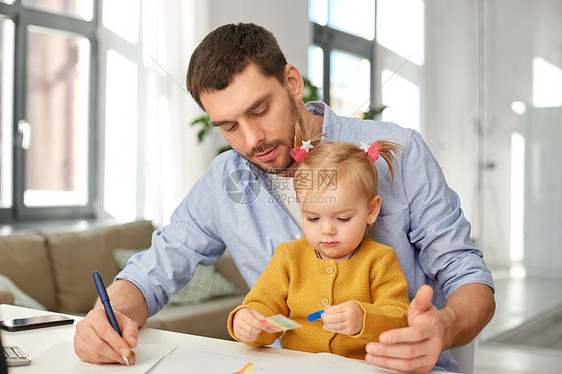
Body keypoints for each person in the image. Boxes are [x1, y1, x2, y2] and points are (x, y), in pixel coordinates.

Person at [74, 22, 495, 373]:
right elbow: (149, 275)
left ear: (292, 82)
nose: (252, 139)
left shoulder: (398, 151)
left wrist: (447, 324)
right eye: (228, 126)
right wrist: (107, 317)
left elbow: (466, 274)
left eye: (259, 110)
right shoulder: (224, 182)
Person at [229, 139, 409, 360]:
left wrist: (364, 318)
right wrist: (248, 321)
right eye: (313, 218)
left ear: (371, 210)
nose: (327, 230)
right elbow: (263, 303)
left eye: (343, 218)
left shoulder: (380, 259)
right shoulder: (288, 257)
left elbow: (399, 318)